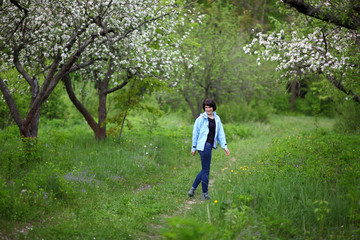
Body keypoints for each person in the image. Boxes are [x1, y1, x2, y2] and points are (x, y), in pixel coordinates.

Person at [188, 98, 230, 201]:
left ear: (213, 107)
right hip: (203, 146)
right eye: (206, 107)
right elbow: (195, 134)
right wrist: (193, 147)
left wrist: (224, 146)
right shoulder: (200, 119)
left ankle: (192, 189)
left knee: (204, 169)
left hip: (209, 146)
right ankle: (204, 194)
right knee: (206, 170)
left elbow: (220, 133)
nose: (208, 109)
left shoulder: (217, 118)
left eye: (209, 107)